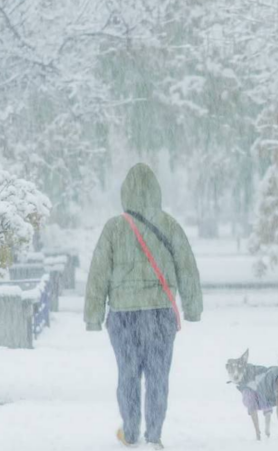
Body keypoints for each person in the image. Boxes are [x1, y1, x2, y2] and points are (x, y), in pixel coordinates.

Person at [84, 163, 203, 450]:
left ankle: (130, 431)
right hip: (160, 313)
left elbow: (98, 273)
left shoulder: (114, 228)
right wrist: (192, 307)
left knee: (128, 375)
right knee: (158, 376)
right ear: (156, 193)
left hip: (124, 316)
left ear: (125, 193)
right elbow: (187, 268)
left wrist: (93, 315)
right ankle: (154, 435)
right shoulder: (169, 225)